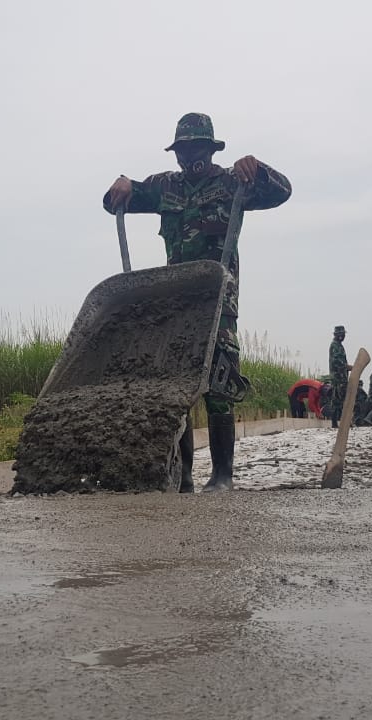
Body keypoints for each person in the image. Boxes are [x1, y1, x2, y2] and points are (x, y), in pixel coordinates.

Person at [104, 113, 292, 492]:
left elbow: (282, 191)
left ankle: (222, 475)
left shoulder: (230, 181)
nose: (190, 155)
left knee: (219, 380)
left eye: (197, 148)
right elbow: (117, 202)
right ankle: (184, 475)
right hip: (177, 300)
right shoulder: (164, 186)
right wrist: (120, 187)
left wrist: (258, 170)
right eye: (183, 149)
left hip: (219, 295)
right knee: (176, 381)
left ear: (210, 148)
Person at [327, 325, 350, 429]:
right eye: (342, 334)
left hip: (341, 377)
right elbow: (336, 362)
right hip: (338, 378)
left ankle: (338, 422)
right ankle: (336, 423)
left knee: (339, 400)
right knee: (339, 400)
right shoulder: (335, 345)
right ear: (338, 335)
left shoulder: (339, 345)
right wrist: (348, 367)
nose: (343, 336)